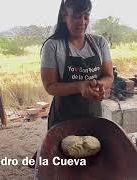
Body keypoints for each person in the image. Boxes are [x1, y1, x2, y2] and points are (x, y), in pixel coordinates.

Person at [41, 0, 113, 129]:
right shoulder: (53, 46)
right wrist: (80, 86)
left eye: (86, 16)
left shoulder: (100, 43)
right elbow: (50, 86)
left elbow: (109, 76)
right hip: (63, 118)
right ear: (64, 16)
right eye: (76, 16)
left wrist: (99, 86)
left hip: (93, 115)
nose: (82, 22)